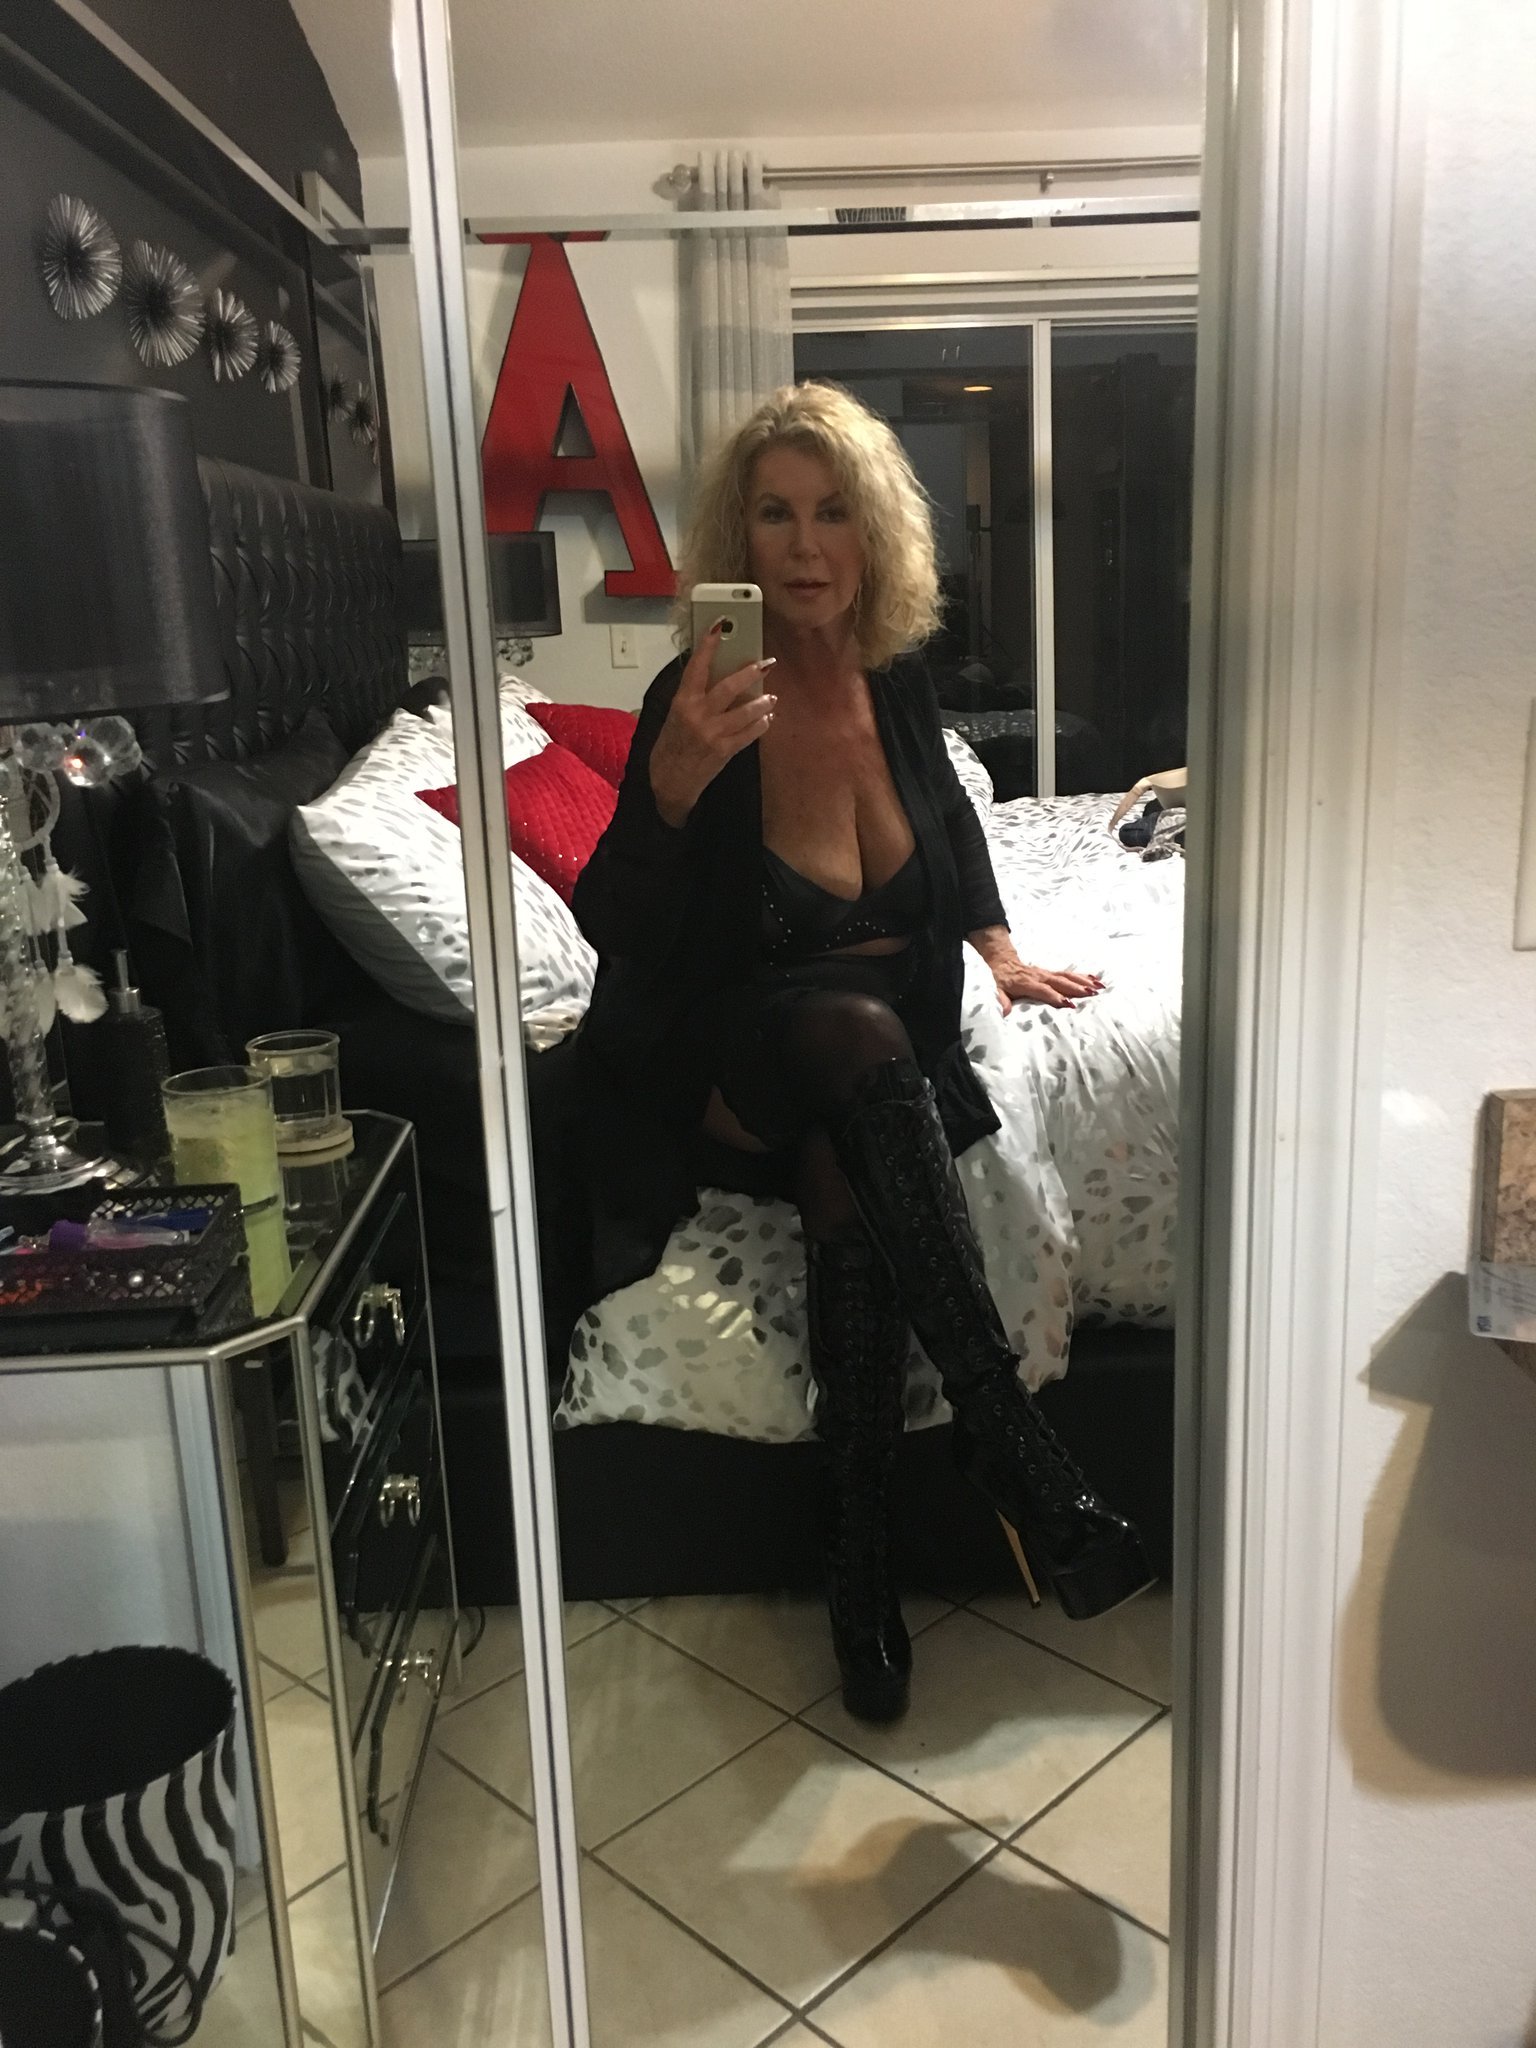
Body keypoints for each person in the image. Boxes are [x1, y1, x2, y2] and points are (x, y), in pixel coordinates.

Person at [571, 382, 1152, 1723]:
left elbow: (946, 815)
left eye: (832, 512)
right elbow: (616, 926)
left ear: (873, 532)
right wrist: (667, 793)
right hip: (738, 1051)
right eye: (774, 514)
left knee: (854, 1162)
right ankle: (1007, 1436)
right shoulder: (700, 691)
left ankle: (858, 1566)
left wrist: (998, 944)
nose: (804, 545)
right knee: (849, 1034)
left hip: (877, 1065)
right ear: (738, 535)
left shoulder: (894, 676)